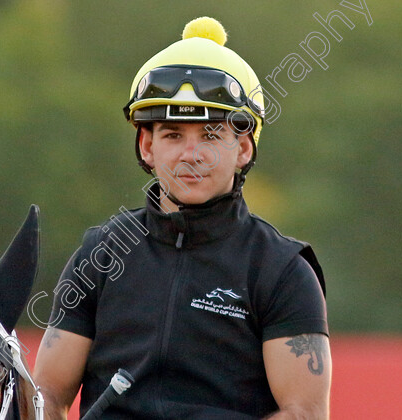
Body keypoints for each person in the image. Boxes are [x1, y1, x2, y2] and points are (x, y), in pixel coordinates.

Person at [33, 17, 331, 419]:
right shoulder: (99, 255)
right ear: (147, 146)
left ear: (243, 148)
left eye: (210, 134)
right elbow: (46, 396)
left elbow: (304, 415)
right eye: (173, 135)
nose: (191, 154)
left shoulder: (283, 271)